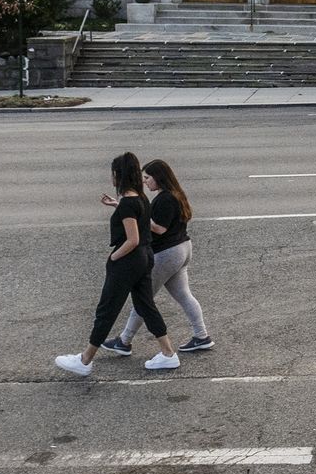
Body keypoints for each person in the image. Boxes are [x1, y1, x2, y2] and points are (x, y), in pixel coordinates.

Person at [56, 152, 178, 375]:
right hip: (145, 258)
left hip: (128, 261)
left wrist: (113, 257)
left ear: (118, 176)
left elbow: (132, 240)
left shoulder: (128, 204)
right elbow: (138, 222)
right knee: (145, 306)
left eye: (113, 174)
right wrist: (118, 206)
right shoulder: (140, 198)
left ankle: (85, 360)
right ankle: (168, 353)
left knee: (107, 309)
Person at [100, 160, 213, 356]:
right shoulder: (174, 195)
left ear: (158, 177)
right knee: (184, 295)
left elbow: (160, 228)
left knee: (143, 299)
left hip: (167, 253)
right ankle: (201, 336)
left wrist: (133, 214)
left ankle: (124, 341)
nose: (145, 182)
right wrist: (122, 206)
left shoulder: (165, 199)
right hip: (182, 248)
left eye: (148, 178)